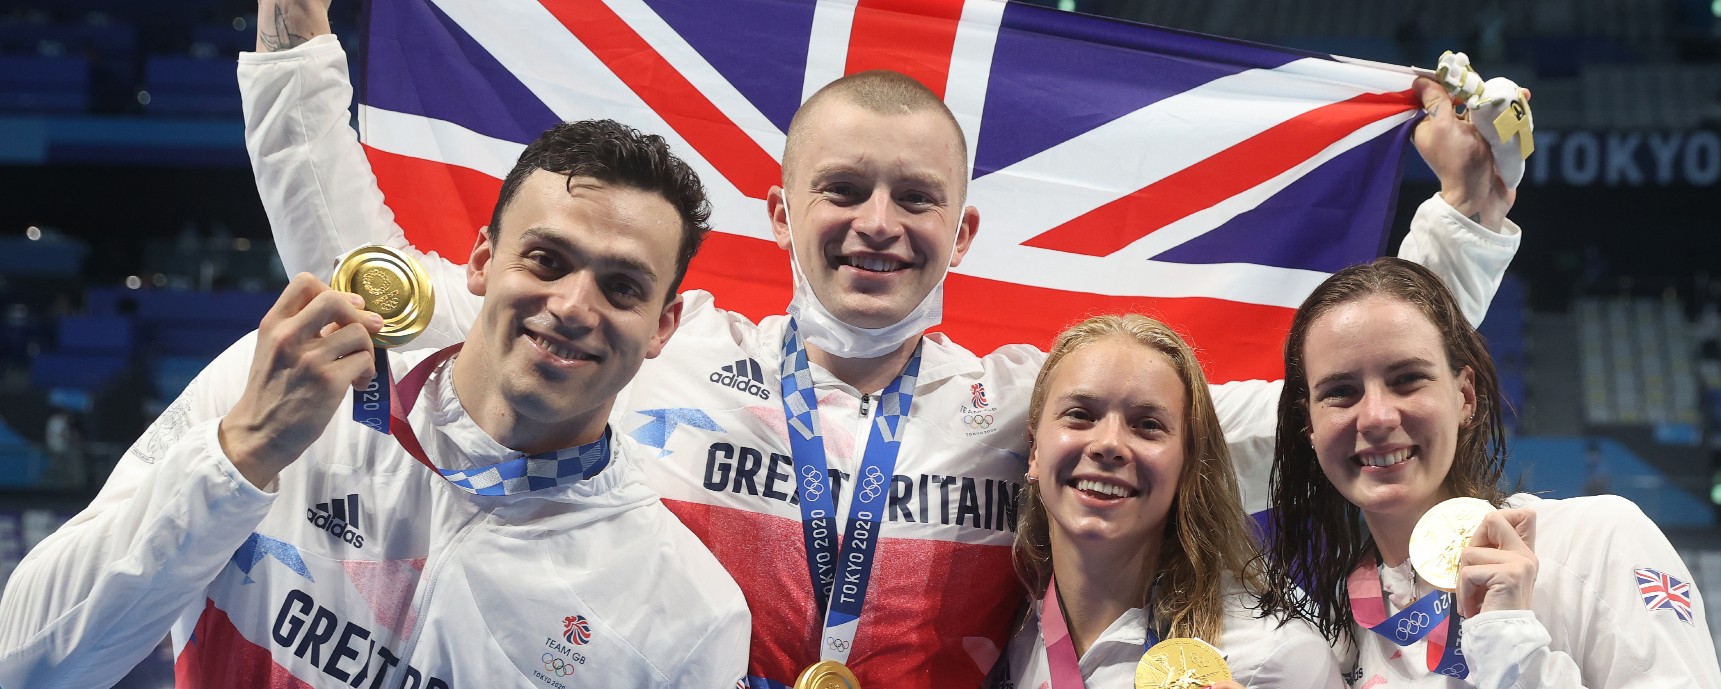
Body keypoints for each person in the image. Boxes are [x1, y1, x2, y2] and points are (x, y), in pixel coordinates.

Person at [240, 2, 1528, 684]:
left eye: (915, 199)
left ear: (963, 228)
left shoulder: (1033, 407)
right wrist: (295, 49)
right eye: (843, 190)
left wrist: (1460, 229)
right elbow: (387, 293)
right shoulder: (657, 360)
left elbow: (1326, 406)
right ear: (778, 210)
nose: (877, 224)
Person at [0, 120, 751, 687]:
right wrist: (239, 455)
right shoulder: (282, 399)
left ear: (662, 327)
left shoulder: (687, 611)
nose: (573, 305)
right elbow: (28, 661)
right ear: (483, 263)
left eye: (622, 287)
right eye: (546, 260)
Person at [1259, 258, 1721, 688]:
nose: (1377, 416)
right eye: (1341, 391)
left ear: (1465, 396)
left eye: (1406, 379)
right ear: (1310, 427)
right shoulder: (1341, 632)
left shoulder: (1597, 541)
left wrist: (1510, 641)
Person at [993, 315, 1340, 689]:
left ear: (1187, 463)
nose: (1109, 443)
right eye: (1080, 415)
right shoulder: (1002, 630)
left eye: (1148, 424)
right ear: (1034, 452)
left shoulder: (1273, 656)